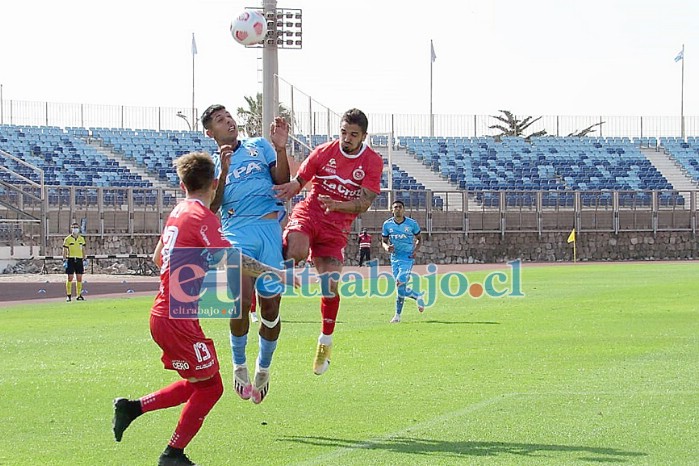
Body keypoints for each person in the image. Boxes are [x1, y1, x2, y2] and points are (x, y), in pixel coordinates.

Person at [112, 152, 296, 466]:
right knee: (211, 388)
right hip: (175, 319)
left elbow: (159, 258)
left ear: (182, 184)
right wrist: (273, 272)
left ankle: (132, 409)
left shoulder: (178, 212)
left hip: (169, 313)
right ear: (214, 183)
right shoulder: (202, 217)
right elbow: (232, 259)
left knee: (200, 383)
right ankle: (173, 454)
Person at [274, 108, 384, 375]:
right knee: (295, 252)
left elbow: (364, 204)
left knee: (330, 286)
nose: (346, 138)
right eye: (343, 132)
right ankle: (266, 283)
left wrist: (337, 204)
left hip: (336, 228)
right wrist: (289, 188)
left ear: (364, 136)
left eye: (353, 135)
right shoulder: (324, 151)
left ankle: (325, 341)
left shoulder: (372, 161)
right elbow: (300, 181)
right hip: (311, 213)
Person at [202, 104, 290, 403]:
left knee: (270, 309)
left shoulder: (258, 146)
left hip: (268, 231)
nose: (228, 122)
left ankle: (263, 367)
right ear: (209, 132)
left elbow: (280, 180)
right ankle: (239, 364)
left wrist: (279, 149)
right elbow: (212, 208)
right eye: (219, 120)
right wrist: (224, 171)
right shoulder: (211, 166)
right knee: (239, 303)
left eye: (228, 117)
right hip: (236, 232)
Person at [382, 200, 425, 323]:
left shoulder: (412, 224)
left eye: (400, 207)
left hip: (407, 258)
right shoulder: (387, 224)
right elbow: (384, 241)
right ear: (392, 210)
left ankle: (397, 315)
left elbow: (419, 239)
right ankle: (416, 297)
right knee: (400, 288)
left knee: (400, 282)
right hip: (395, 258)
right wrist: (386, 247)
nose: (398, 209)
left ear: (404, 209)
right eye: (395, 207)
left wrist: (415, 250)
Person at [62, 221, 87, 302]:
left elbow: (83, 249)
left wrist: (84, 258)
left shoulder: (81, 239)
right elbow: (65, 250)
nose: (75, 229)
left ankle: (79, 294)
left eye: (76, 227)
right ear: (71, 229)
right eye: (74, 227)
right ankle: (68, 295)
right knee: (70, 277)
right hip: (71, 259)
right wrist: (64, 260)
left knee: (79, 277)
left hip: (79, 259)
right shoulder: (68, 239)